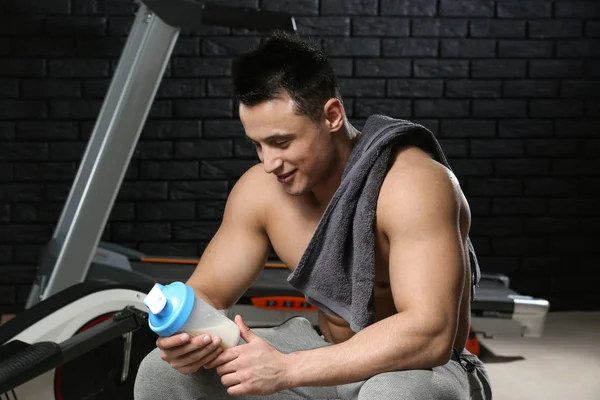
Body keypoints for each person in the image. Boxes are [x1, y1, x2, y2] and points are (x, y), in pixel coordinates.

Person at [134, 31, 492, 400]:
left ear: (332, 116)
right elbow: (208, 291)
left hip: (415, 369)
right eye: (256, 145)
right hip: (320, 352)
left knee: (392, 396)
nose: (268, 163)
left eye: (281, 142)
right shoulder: (260, 191)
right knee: (161, 373)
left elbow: (429, 334)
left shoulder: (413, 184)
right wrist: (185, 337)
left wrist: (286, 370)